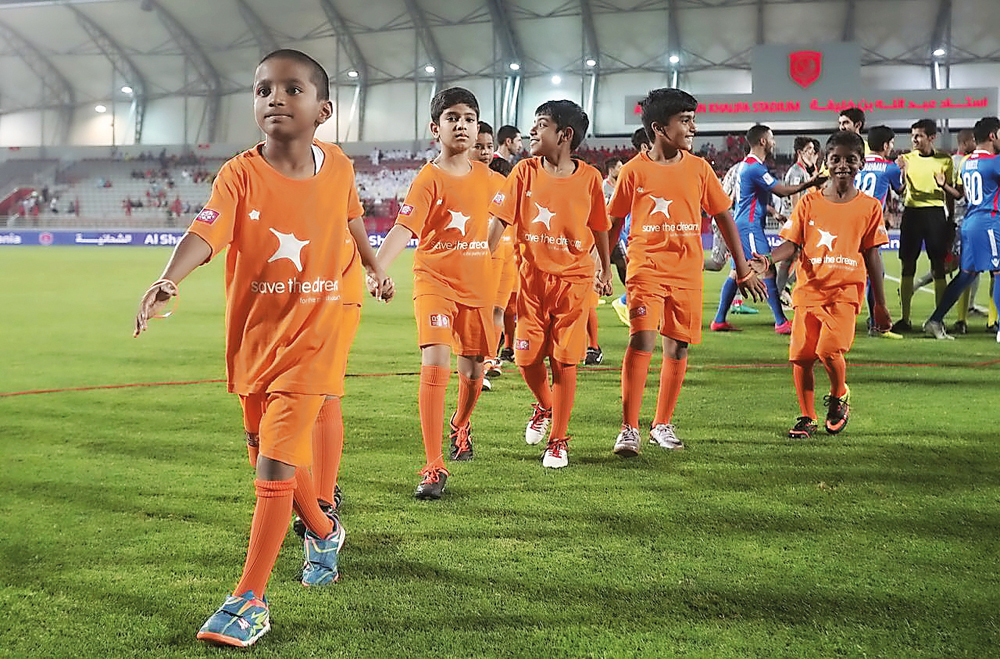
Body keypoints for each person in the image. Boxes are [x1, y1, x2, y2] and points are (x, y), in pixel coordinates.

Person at [133, 49, 388, 649]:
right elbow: (207, 230)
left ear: (323, 110)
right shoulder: (239, 174)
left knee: (275, 461)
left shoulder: (341, 167)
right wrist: (172, 276)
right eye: (263, 89)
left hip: (321, 329)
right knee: (263, 454)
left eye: (291, 89)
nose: (275, 98)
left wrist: (373, 267)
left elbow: (352, 221)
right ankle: (323, 531)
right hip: (257, 338)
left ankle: (249, 599)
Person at [608, 88, 767, 457]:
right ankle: (628, 429)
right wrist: (601, 263)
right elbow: (614, 221)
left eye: (693, 118)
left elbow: (723, 215)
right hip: (645, 267)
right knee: (642, 339)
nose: (694, 127)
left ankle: (661, 423)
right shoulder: (633, 171)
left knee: (677, 347)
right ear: (660, 128)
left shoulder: (699, 169)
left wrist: (742, 268)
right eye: (686, 120)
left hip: (686, 273)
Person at [376, 87, 495, 499]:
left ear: (477, 126)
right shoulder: (428, 178)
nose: (461, 124)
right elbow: (404, 229)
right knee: (436, 359)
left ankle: (460, 424)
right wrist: (377, 269)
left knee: (474, 370)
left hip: (478, 288)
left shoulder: (494, 182)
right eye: (452, 118)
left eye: (468, 118)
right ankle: (433, 465)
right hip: (434, 282)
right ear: (436, 127)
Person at [488, 99, 612, 468]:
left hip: (573, 284)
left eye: (541, 124)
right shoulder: (523, 172)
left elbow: (600, 228)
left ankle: (558, 439)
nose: (532, 131)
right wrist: (480, 257)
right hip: (530, 283)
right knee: (525, 359)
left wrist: (605, 269)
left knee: (564, 361)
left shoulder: (590, 178)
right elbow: (498, 220)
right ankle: (544, 404)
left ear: (564, 135)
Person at [750, 130, 891, 439]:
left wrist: (880, 304)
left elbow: (873, 256)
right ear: (826, 163)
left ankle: (840, 395)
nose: (842, 165)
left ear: (861, 164)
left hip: (844, 291)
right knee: (801, 356)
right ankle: (806, 416)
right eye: (836, 159)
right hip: (809, 291)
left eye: (850, 160)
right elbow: (791, 245)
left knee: (829, 350)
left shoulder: (869, 207)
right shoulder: (809, 203)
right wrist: (768, 260)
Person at [711, 124, 822, 333]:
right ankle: (781, 322)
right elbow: (781, 191)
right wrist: (811, 183)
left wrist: (772, 212)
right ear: (762, 141)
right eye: (771, 138)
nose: (774, 142)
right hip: (750, 228)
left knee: (737, 272)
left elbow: (752, 198)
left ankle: (719, 320)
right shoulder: (755, 168)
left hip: (744, 224)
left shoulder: (746, 166)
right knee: (767, 268)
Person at [922, 117, 1000, 340]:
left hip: (971, 222)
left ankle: (935, 320)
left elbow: (962, 193)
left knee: (966, 275)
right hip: (988, 222)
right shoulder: (995, 162)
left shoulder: (966, 162)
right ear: (993, 136)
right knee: (999, 272)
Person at [891, 118, 955, 332]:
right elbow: (899, 189)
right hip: (912, 213)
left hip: (935, 214)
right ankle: (905, 318)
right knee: (907, 265)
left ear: (931, 137)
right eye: (912, 135)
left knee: (938, 267)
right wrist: (900, 172)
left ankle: (939, 318)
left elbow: (950, 194)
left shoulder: (945, 161)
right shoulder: (906, 159)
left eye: (918, 136)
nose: (914, 139)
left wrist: (950, 220)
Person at [475, 121, 516, 388]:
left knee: (498, 310)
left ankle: (490, 359)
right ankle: (479, 363)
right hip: (477, 256)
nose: (486, 152)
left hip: (505, 252)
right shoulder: (461, 181)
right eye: (479, 146)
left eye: (489, 146)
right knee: (481, 311)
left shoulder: (501, 182)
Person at [856, 125, 904, 339]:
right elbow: (901, 190)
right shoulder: (890, 167)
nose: (892, 147)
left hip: (851, 221)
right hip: (870, 226)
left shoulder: (859, 164)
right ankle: (877, 323)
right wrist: (904, 170)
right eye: (891, 144)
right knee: (876, 275)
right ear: (885, 145)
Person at [611, 127, 652, 328]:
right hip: (633, 236)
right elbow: (616, 216)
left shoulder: (657, 169)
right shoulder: (632, 171)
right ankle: (625, 302)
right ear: (645, 145)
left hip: (651, 237)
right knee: (638, 276)